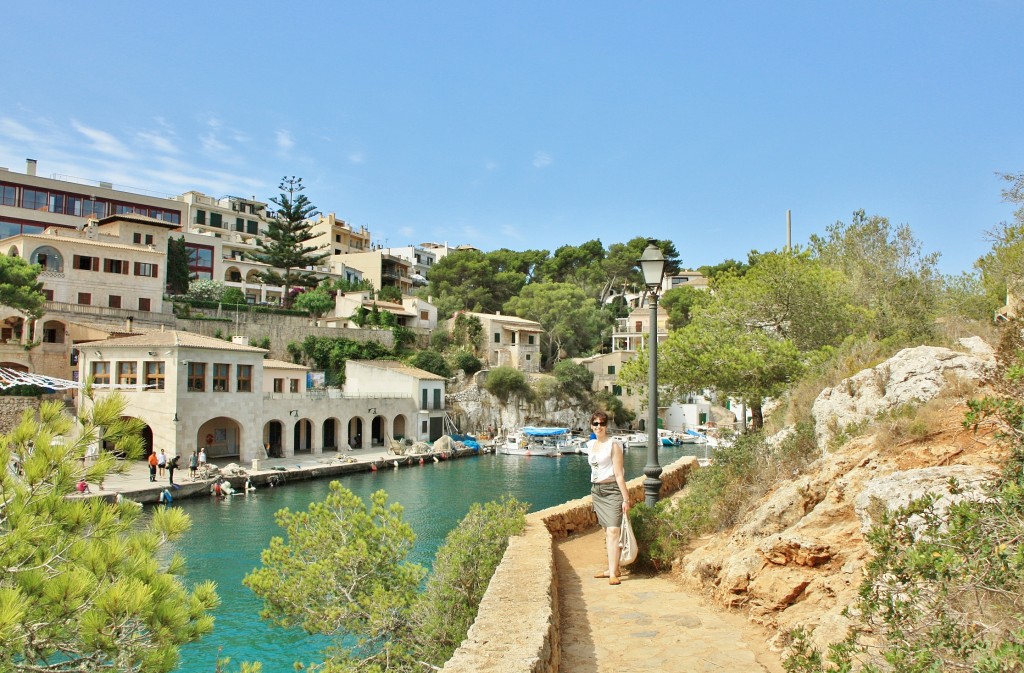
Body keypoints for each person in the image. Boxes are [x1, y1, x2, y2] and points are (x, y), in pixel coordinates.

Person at [584, 411, 631, 586]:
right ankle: (614, 568)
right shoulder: (590, 445)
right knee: (607, 531)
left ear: (606, 426)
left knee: (613, 531)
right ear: (591, 426)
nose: (599, 427)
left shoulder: (614, 445)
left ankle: (612, 572)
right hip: (597, 491)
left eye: (602, 423)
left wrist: (625, 499)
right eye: (595, 424)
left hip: (612, 490)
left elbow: (619, 474)